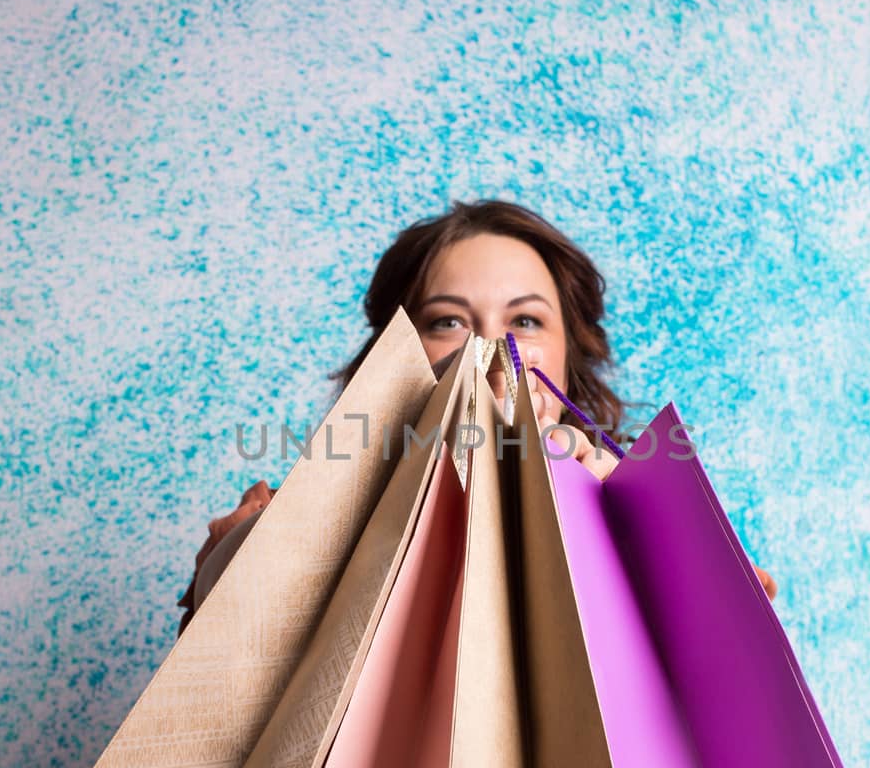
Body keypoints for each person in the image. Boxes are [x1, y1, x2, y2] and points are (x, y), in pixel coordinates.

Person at [177, 199, 777, 632]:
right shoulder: (305, 512)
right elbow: (233, 610)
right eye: (449, 321)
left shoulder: (644, 511)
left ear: (570, 350)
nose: (494, 348)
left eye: (525, 321)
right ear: (395, 350)